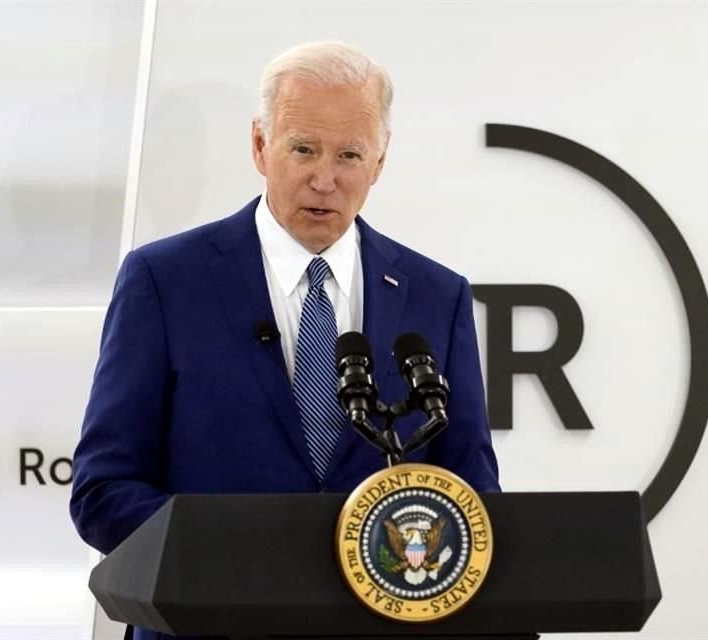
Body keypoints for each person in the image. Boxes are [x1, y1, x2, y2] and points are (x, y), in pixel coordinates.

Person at [70, 41, 499, 571]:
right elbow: (102, 491)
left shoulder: (438, 296)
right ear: (258, 145)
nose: (325, 179)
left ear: (380, 162)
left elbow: (474, 495)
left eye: (349, 155)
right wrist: (245, 556)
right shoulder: (164, 281)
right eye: (303, 150)